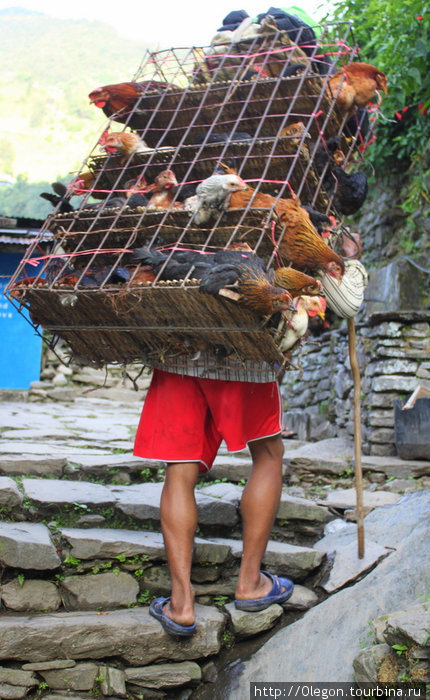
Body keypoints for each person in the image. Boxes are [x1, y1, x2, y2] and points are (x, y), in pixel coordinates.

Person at [133, 350, 294, 637]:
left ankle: (181, 603)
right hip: (243, 354)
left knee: (180, 468)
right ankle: (250, 582)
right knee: (268, 453)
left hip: (177, 354)